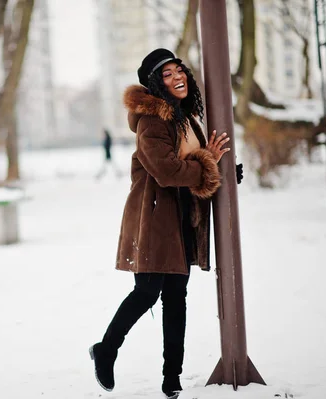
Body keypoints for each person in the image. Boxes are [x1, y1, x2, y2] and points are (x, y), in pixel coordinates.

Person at [89, 48, 241, 398]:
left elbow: (196, 165)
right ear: (157, 84)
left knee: (176, 297)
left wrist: (221, 171)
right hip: (154, 216)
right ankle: (106, 349)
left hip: (181, 217)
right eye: (168, 74)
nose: (178, 78)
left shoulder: (185, 119)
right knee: (147, 291)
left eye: (179, 70)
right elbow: (167, 170)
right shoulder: (152, 121)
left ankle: (172, 377)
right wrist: (208, 165)